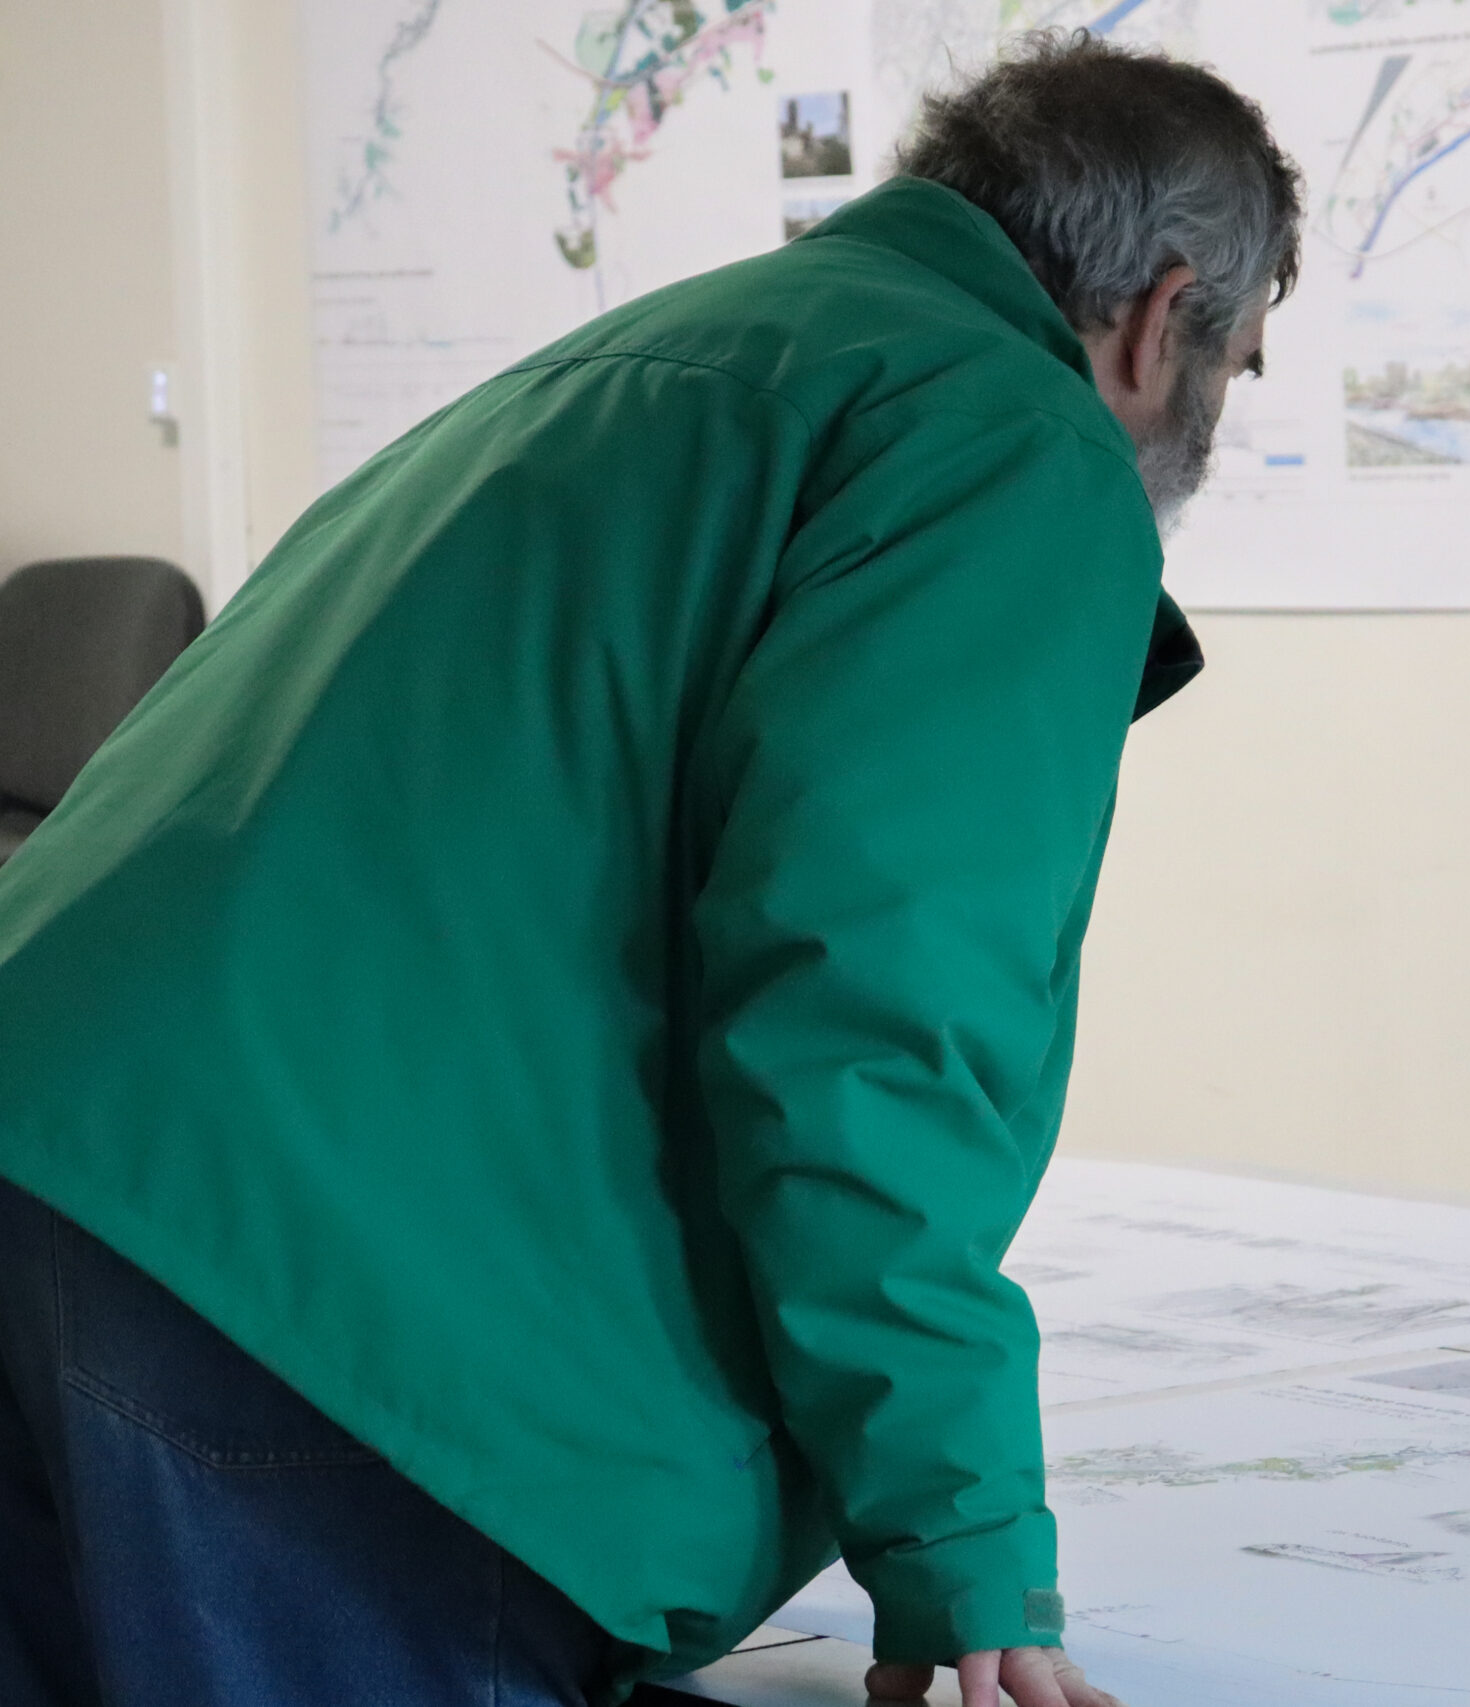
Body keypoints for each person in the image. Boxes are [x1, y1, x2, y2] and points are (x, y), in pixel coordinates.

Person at [0, 33, 1300, 1707]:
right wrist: (966, 1545)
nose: (1211, 424)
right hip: (323, 1302)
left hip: (69, 1156)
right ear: (1158, 315)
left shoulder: (658, 359)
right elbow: (871, 1018)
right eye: (1236, 367)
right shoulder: (1016, 443)